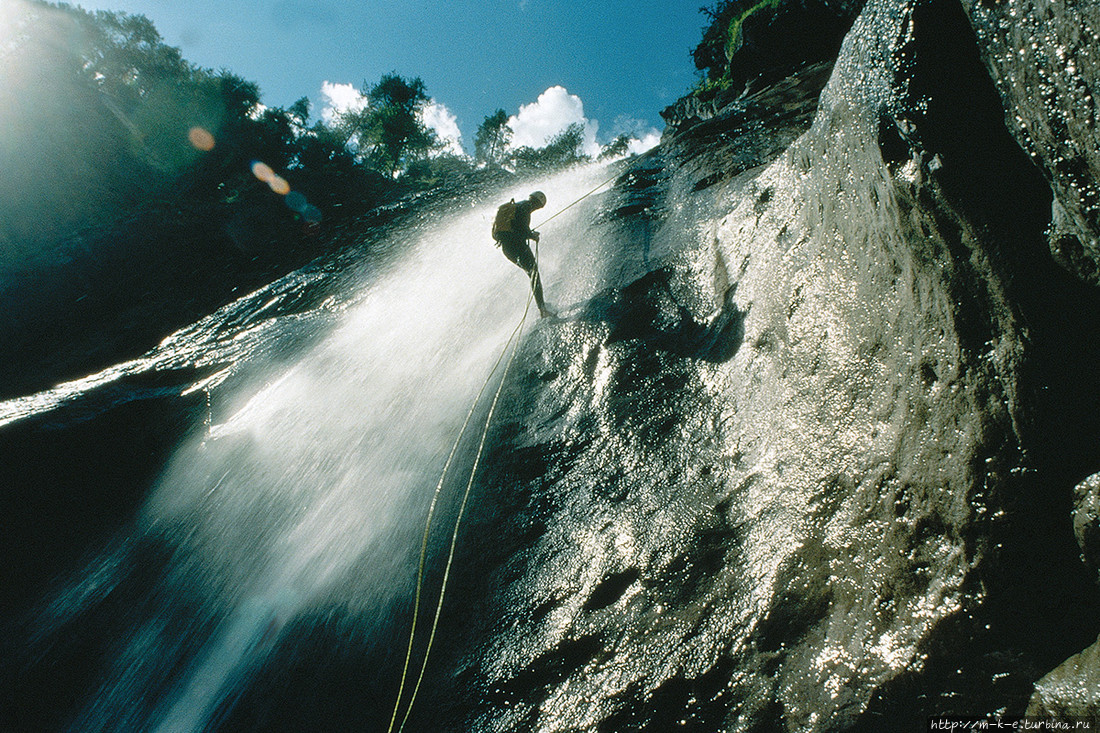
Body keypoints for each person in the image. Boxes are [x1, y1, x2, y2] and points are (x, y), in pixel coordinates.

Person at [492, 191, 554, 318]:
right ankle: (542, 309)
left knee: (532, 273)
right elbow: (521, 228)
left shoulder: (518, 206)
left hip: (508, 249)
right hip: (517, 247)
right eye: (539, 206)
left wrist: (529, 234)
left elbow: (517, 227)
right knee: (534, 273)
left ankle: (541, 305)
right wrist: (532, 235)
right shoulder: (526, 207)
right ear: (538, 203)